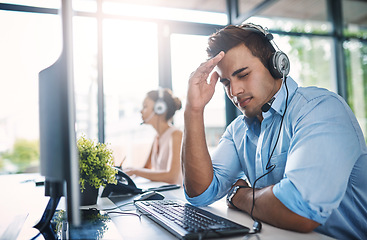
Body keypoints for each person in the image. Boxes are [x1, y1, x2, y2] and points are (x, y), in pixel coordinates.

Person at [181, 23, 367, 239]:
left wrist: (238, 195)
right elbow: (201, 193)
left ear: (277, 66)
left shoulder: (320, 109)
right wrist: (193, 110)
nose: (234, 91)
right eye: (226, 82)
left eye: (242, 74)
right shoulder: (238, 130)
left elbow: (300, 210)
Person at [125, 88, 183, 185]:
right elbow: (146, 168)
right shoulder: (157, 137)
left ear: (159, 108)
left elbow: (172, 177)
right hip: (163, 195)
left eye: (145, 106)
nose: (141, 111)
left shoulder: (176, 135)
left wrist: (135, 171)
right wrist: (126, 172)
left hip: (176, 196)